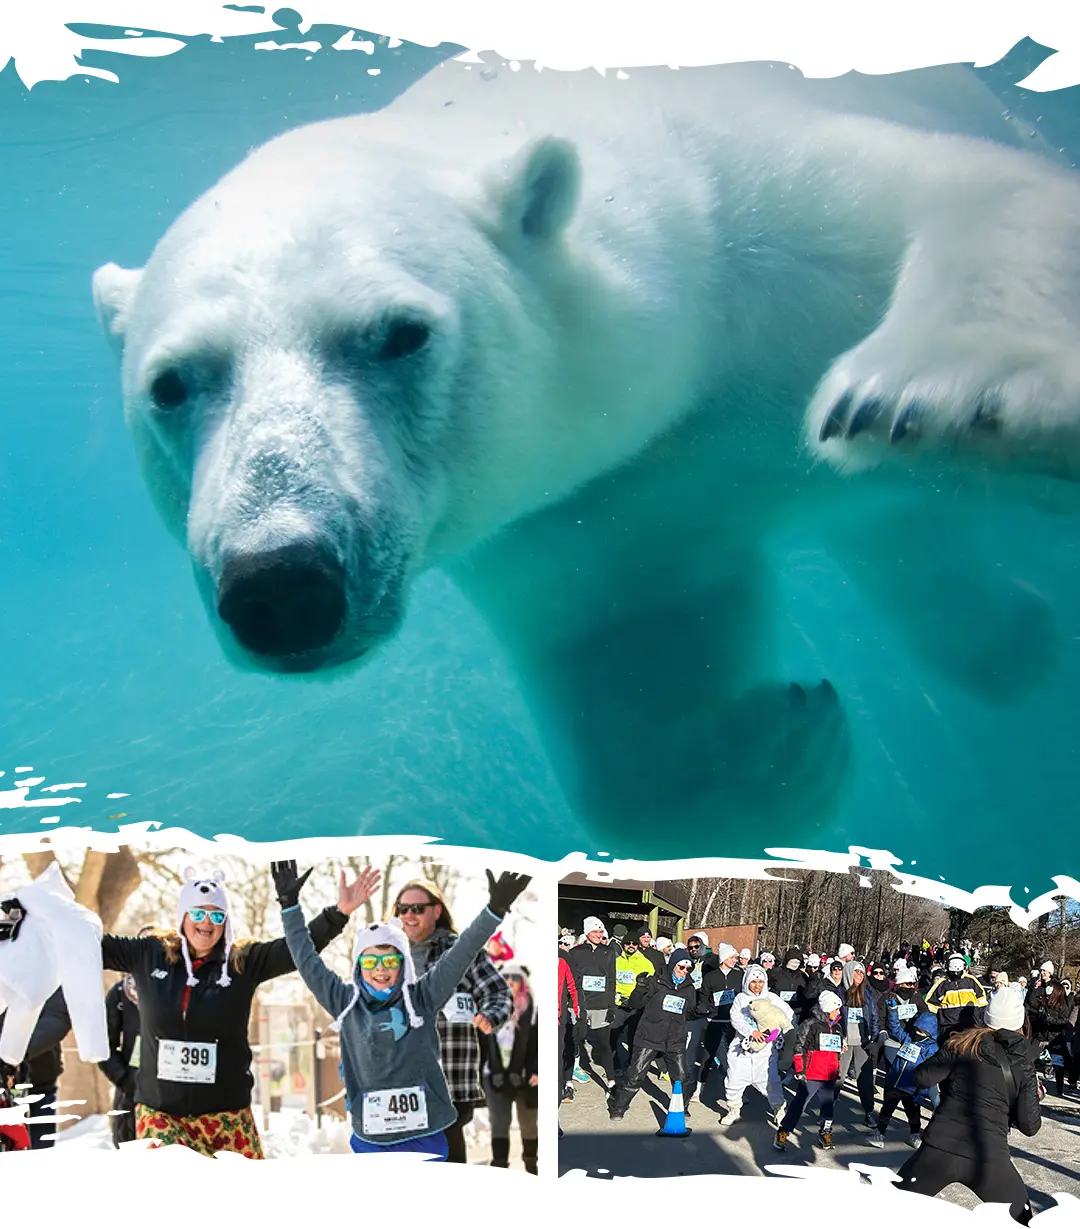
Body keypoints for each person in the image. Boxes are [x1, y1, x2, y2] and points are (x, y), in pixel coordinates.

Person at [277, 860, 530, 1160]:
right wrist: (290, 906)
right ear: (359, 966)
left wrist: (494, 910)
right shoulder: (344, 1001)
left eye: (390, 961)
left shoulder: (422, 996)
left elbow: (463, 952)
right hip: (373, 1137)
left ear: (403, 965)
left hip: (427, 1135)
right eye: (370, 962)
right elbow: (306, 960)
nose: (380, 970)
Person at [100, 866, 361, 1156]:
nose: (207, 923)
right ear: (183, 917)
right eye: (198, 913)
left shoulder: (242, 963)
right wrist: (54, 912)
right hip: (161, 1115)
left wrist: (335, 913)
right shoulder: (150, 954)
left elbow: (295, 950)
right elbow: (92, 944)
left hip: (226, 1117)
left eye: (217, 915)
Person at [391, 877, 513, 1164]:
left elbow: (499, 993)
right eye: (402, 908)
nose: (409, 915)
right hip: (397, 1078)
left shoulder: (459, 951)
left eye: (418, 908)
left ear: (436, 910)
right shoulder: (386, 954)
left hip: (449, 1076)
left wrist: (489, 1015)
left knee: (448, 1157)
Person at [894, 988, 1040, 1224]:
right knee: (1022, 1220)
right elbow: (1030, 1126)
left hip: (939, 1148)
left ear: (986, 1016)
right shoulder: (1024, 1063)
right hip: (988, 1155)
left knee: (890, 1209)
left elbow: (921, 1077)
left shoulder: (961, 1044)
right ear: (1020, 1021)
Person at [608, 950, 701, 1120]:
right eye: (681, 967)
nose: (684, 971)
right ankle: (618, 1106)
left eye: (688, 969)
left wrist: (699, 1012)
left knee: (682, 1078)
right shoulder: (656, 981)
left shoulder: (689, 988)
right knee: (635, 1076)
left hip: (675, 1039)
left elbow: (688, 1012)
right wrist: (640, 988)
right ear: (673, 964)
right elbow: (636, 1003)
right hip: (649, 1036)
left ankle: (681, 1106)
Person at [481, 965, 538, 1173]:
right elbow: (483, 1044)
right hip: (494, 1074)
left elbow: (537, 1044)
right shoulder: (487, 1007)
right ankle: (499, 1165)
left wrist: (537, 1071)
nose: (510, 981)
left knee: (529, 1123)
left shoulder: (532, 1010)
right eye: (505, 977)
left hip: (525, 1077)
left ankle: (531, 1164)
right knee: (499, 1122)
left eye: (515, 978)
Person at [0, 987, 71, 1150]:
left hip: (40, 1078)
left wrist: (15, 1052)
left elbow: (57, 1018)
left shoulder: (49, 970)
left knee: (40, 1153)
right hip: (5, 1083)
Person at [775, 989, 845, 1151]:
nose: (838, 1012)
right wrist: (800, 1070)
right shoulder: (810, 1025)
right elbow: (799, 1047)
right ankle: (783, 1131)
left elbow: (836, 1052)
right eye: (836, 1009)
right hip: (811, 1074)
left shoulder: (837, 1028)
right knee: (799, 1105)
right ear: (828, 1009)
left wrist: (838, 1063)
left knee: (828, 1106)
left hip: (829, 1075)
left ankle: (825, 1132)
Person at [723, 964, 793, 1127]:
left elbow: (787, 1015)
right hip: (742, 1048)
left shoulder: (772, 998)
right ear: (747, 981)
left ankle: (779, 1109)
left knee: (771, 1081)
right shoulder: (741, 998)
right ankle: (734, 1109)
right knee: (734, 1078)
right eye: (753, 981)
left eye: (760, 981)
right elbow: (736, 1018)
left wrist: (779, 1035)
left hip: (766, 1051)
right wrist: (751, 1032)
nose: (757, 985)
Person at [868, 1006, 939, 1148]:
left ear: (930, 1033)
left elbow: (930, 1073)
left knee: (913, 1115)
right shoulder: (908, 1038)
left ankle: (914, 1135)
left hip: (912, 1088)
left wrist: (922, 1093)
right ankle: (879, 1134)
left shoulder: (931, 1049)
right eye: (917, 1029)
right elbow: (895, 1028)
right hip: (894, 1083)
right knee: (886, 1111)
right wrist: (893, 1011)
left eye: (922, 1031)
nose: (918, 1032)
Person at [566, 917, 618, 1089]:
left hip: (601, 1004)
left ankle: (611, 1081)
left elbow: (611, 979)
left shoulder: (608, 952)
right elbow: (571, 980)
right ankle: (568, 1080)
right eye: (595, 932)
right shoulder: (576, 952)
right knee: (574, 1041)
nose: (598, 935)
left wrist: (611, 1005)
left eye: (601, 932)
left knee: (604, 1043)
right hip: (580, 1004)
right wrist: (571, 1002)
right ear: (587, 932)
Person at [839, 961, 886, 1125]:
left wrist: (874, 1038)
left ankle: (868, 1111)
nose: (860, 974)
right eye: (856, 971)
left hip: (862, 1041)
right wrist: (838, 1037)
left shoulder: (867, 993)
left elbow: (873, 1016)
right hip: (844, 1041)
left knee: (864, 1079)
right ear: (848, 973)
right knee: (838, 1076)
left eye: (862, 972)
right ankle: (826, 1112)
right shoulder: (839, 992)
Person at [99, 969, 142, 1147]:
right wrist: (124, 1078)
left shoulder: (182, 988)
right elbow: (103, 1044)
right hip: (131, 1093)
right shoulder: (120, 994)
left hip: (175, 1092)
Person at [698, 942, 744, 1082]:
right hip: (714, 1020)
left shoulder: (739, 975)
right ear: (724, 958)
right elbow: (704, 996)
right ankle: (700, 1087)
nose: (734, 961)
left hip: (732, 1021)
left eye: (735, 958)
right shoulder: (710, 977)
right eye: (731, 958)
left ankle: (735, 1089)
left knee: (735, 1056)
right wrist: (706, 1009)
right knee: (708, 1054)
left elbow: (743, 995)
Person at [612, 934, 654, 1070]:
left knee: (633, 1038)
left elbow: (652, 985)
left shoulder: (645, 963)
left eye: (634, 943)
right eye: (628, 943)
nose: (631, 945)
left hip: (636, 1007)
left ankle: (631, 1065)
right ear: (623, 945)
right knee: (612, 1036)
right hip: (619, 1005)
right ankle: (615, 1066)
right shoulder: (617, 961)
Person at [926, 953, 989, 1042]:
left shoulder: (972, 982)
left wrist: (981, 1024)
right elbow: (930, 1006)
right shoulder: (942, 984)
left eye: (958, 973)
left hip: (970, 1027)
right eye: (953, 973)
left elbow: (982, 1003)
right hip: (948, 1028)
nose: (956, 975)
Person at [1027, 978, 1072, 1098]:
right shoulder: (1043, 1002)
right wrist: (1033, 988)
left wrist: (1050, 1020)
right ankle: (1027, 1084)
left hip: (1054, 1040)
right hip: (1040, 1036)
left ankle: (1059, 1089)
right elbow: (1031, 1002)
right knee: (1029, 1059)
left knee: (1058, 1065)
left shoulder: (1062, 1007)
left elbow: (1064, 1021)